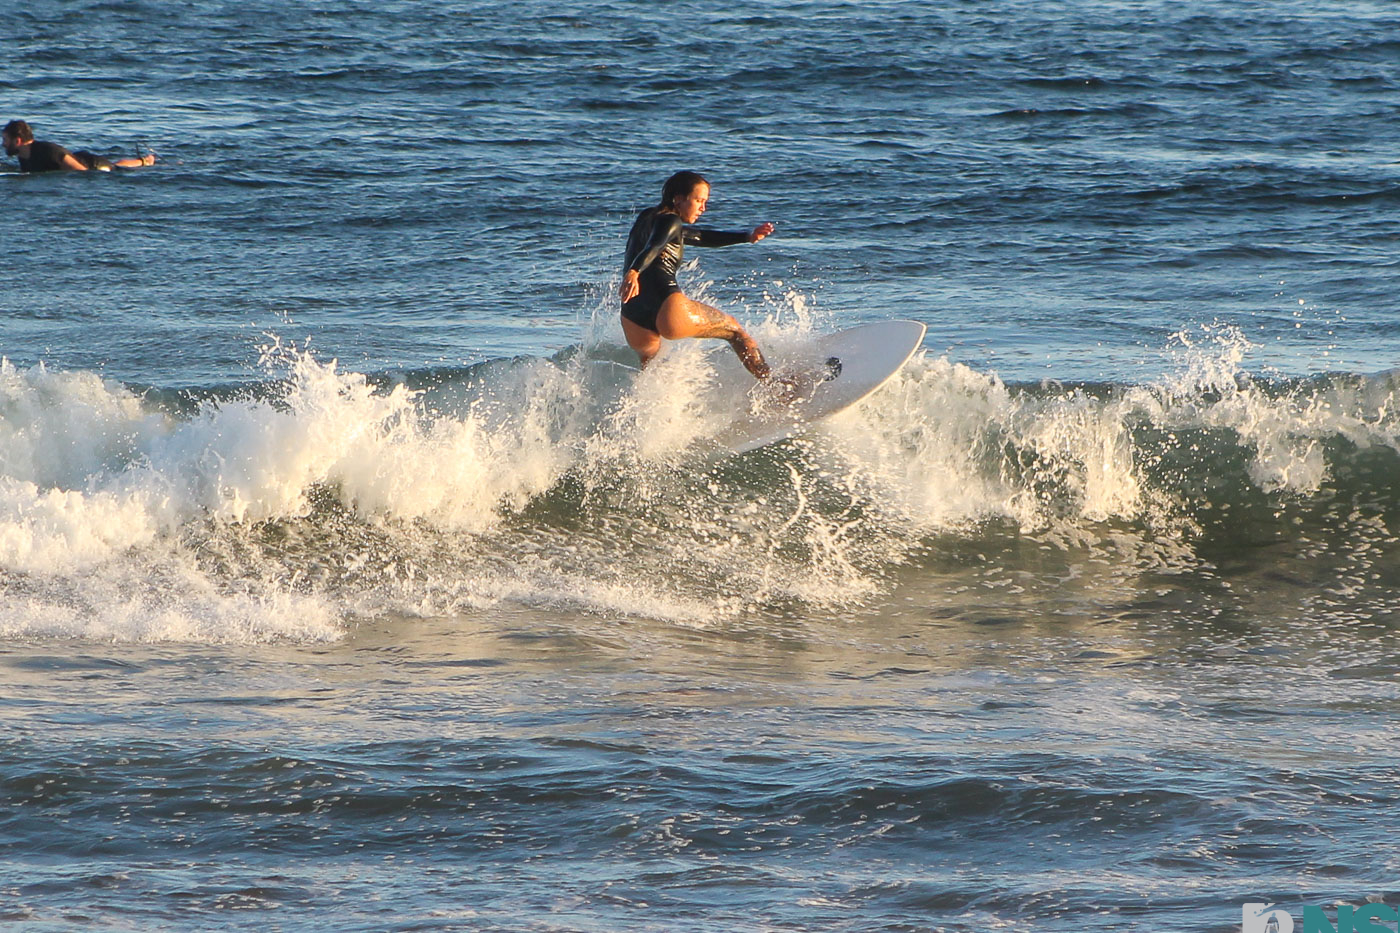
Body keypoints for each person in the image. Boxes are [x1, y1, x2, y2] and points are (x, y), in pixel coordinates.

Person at [620, 171, 776, 380]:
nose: (703, 207)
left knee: (651, 371)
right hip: (667, 308)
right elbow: (654, 246)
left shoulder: (648, 217)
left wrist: (747, 236)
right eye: (699, 200)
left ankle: (651, 412)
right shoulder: (671, 220)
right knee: (735, 331)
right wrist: (634, 271)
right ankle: (775, 386)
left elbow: (699, 236)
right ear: (678, 199)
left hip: (633, 314)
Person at [2, 120, 155, 173]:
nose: (3, 144)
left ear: (18, 141)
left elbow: (82, 172)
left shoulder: (48, 151)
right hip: (77, 159)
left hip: (91, 164)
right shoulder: (23, 155)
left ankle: (144, 161)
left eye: (6, 140)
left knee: (114, 168)